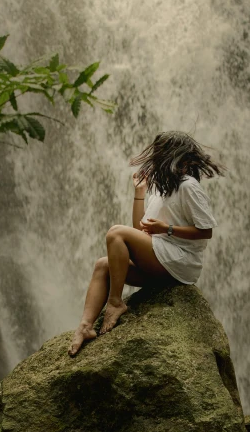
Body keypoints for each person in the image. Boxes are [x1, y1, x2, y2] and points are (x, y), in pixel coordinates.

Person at [68, 130, 224, 356]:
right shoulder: (161, 190)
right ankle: (85, 326)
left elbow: (206, 230)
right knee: (103, 265)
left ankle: (115, 302)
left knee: (115, 232)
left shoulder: (188, 185)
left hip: (180, 262)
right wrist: (139, 193)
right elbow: (140, 231)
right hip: (160, 260)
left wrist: (166, 229)